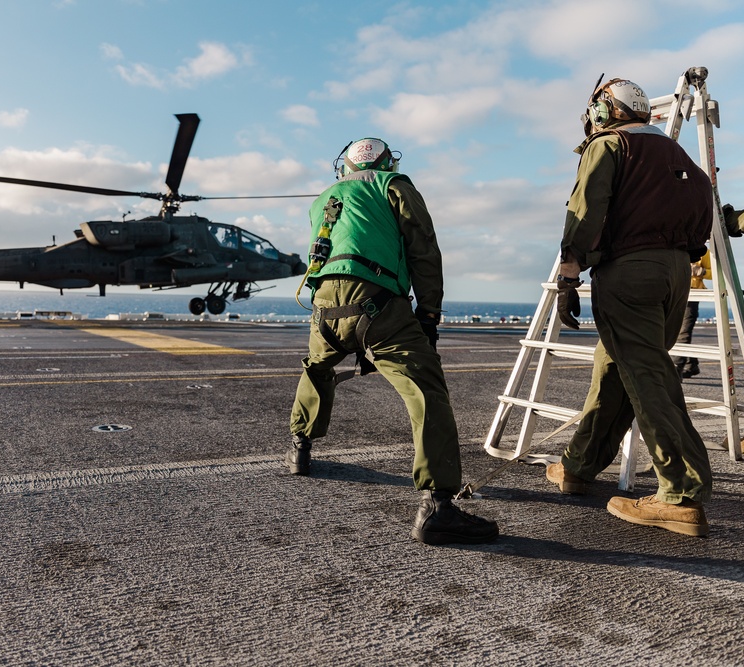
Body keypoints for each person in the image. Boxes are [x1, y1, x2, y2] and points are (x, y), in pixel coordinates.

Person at [285, 137, 499, 545]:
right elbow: (424, 250)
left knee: (316, 368)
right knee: (426, 391)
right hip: (377, 304)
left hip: (324, 308)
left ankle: (299, 446)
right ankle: (438, 506)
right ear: (387, 162)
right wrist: (430, 315)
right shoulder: (394, 185)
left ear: (343, 166)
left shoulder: (324, 197)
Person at [548, 77, 715, 536]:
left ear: (605, 112)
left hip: (629, 274)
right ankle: (579, 467)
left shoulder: (608, 145)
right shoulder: (677, 156)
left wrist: (568, 276)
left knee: (647, 377)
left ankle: (681, 494)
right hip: (674, 274)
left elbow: (585, 210)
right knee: (618, 368)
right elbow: (705, 206)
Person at [672, 250, 711, 379]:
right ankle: (691, 363)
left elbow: (715, 273)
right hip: (674, 292)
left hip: (692, 295)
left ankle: (676, 370)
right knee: (677, 331)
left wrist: (702, 272)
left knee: (683, 332)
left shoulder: (703, 253)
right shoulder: (673, 250)